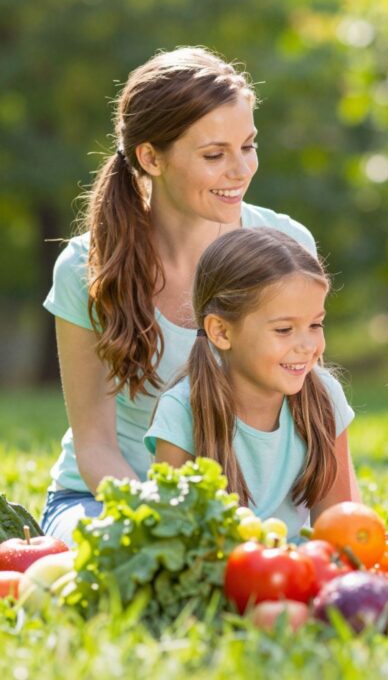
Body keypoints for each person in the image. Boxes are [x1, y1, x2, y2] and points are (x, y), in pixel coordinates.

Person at [40, 47, 317, 544]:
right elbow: (96, 445)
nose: (241, 170)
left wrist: (236, 523)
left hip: (246, 506)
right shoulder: (86, 268)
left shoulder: (286, 247)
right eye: (214, 155)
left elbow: (305, 408)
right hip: (108, 500)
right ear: (151, 157)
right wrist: (170, 523)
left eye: (248, 146)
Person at [144, 228, 358, 542]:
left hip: (303, 566)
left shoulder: (325, 397)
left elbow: (336, 530)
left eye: (316, 324)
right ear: (221, 332)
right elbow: (170, 536)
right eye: (284, 330)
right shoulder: (181, 411)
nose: (308, 345)